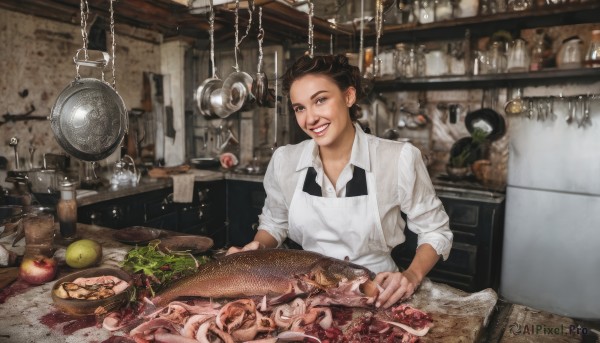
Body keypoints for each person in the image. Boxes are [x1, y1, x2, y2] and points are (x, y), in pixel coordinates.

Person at [227, 54, 453, 309]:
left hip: (377, 294)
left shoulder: (397, 158)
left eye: (320, 100)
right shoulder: (285, 160)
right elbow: (274, 223)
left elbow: (435, 231)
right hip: (306, 297)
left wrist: (411, 276)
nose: (310, 119)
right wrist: (258, 247)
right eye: (300, 108)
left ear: (348, 96)